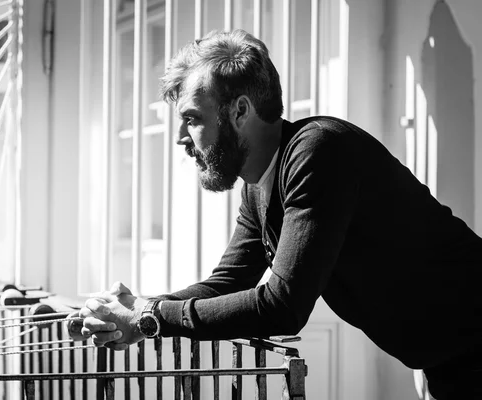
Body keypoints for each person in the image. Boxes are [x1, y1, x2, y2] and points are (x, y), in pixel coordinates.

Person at [73, 29, 482, 399]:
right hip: (447, 357)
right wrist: (133, 309)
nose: (181, 138)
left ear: (240, 111)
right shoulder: (259, 185)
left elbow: (282, 305)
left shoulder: (317, 151)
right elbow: (226, 283)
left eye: (192, 119)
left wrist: (151, 317)